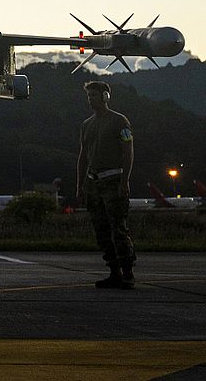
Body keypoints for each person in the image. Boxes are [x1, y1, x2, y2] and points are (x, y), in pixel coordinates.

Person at [75, 80, 135, 289]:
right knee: (101, 230)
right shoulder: (86, 125)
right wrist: (80, 185)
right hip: (93, 182)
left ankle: (127, 272)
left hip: (113, 181)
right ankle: (114, 272)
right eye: (88, 95)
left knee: (118, 229)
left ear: (105, 97)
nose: (90, 99)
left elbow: (128, 151)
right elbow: (83, 156)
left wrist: (124, 181)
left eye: (94, 95)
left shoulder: (119, 121)